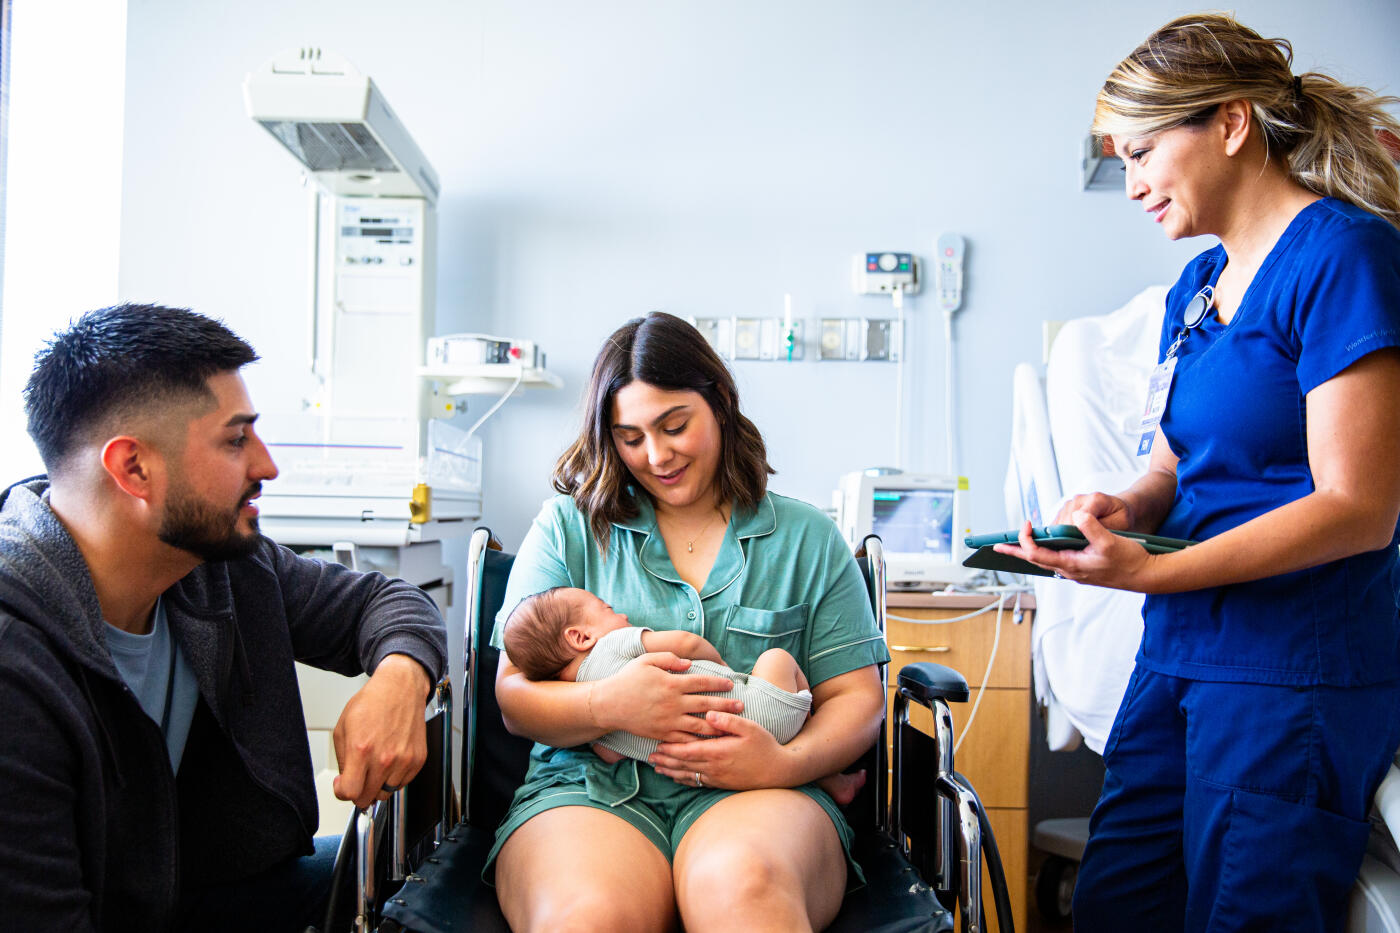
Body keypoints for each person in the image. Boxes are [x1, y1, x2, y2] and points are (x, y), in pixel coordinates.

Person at [995, 14, 1400, 932]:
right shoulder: (1199, 288)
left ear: (1230, 123)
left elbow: (1358, 507)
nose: (1131, 184)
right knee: (1118, 906)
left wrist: (1155, 569)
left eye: (1141, 153)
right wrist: (1123, 503)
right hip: (1178, 654)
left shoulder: (1343, 258)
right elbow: (1175, 462)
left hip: (1290, 674)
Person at [0, 304, 448, 933]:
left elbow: (390, 603)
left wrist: (400, 679)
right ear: (134, 468)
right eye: (236, 439)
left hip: (199, 890)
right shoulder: (16, 664)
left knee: (435, 892)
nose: (266, 465)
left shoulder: (216, 563)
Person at [488, 311, 888, 932]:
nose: (656, 455)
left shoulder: (807, 539)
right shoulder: (566, 529)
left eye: (675, 426)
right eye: (629, 436)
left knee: (744, 892)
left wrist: (783, 765)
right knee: (587, 917)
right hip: (590, 791)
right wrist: (609, 708)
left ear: (720, 403)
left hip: (764, 793)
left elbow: (859, 701)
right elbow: (514, 699)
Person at [501, 586, 867, 804]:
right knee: (777, 659)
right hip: (752, 710)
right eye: (607, 610)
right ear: (580, 637)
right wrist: (722, 667)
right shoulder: (612, 645)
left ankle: (826, 776)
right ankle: (817, 753)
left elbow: (612, 757)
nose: (623, 614)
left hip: (707, 760)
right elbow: (685, 642)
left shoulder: (591, 728)